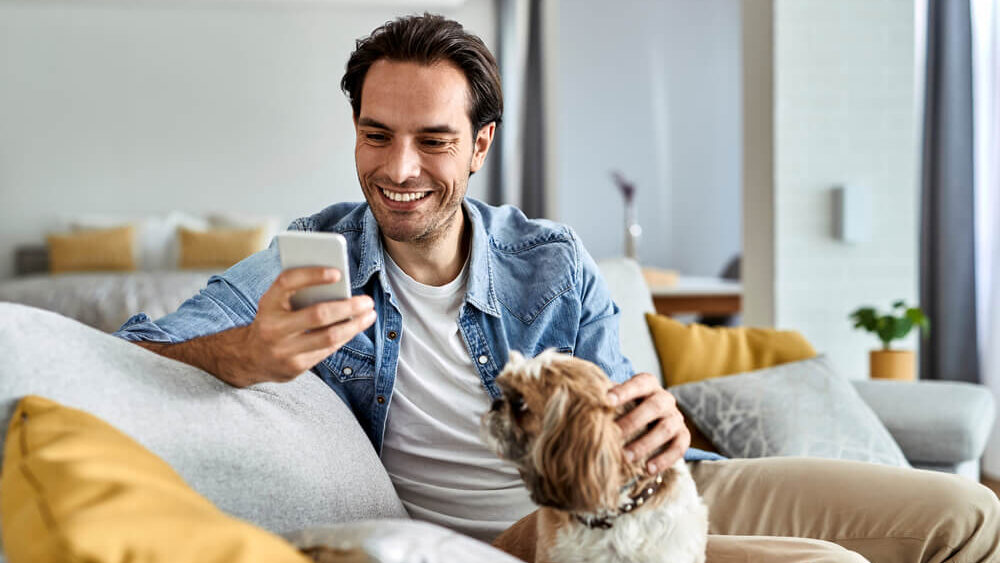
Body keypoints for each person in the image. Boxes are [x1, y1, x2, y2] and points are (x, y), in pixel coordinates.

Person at [115, 13, 999, 562]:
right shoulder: (309, 261)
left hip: (664, 490)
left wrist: (653, 416)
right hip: (538, 536)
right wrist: (245, 351)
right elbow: (135, 348)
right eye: (376, 134)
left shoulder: (550, 258)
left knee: (964, 514)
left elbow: (621, 404)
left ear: (481, 143)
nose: (397, 168)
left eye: (431, 139)